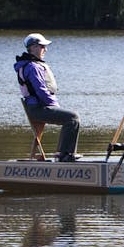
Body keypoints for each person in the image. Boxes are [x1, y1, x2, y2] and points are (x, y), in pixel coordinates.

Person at [14, 33, 81, 162]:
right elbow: (41, 91)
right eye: (42, 46)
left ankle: (64, 153)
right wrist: (55, 107)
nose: (45, 49)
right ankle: (65, 154)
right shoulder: (33, 67)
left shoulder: (29, 64)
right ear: (33, 48)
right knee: (72, 118)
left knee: (70, 117)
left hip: (36, 107)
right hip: (38, 108)